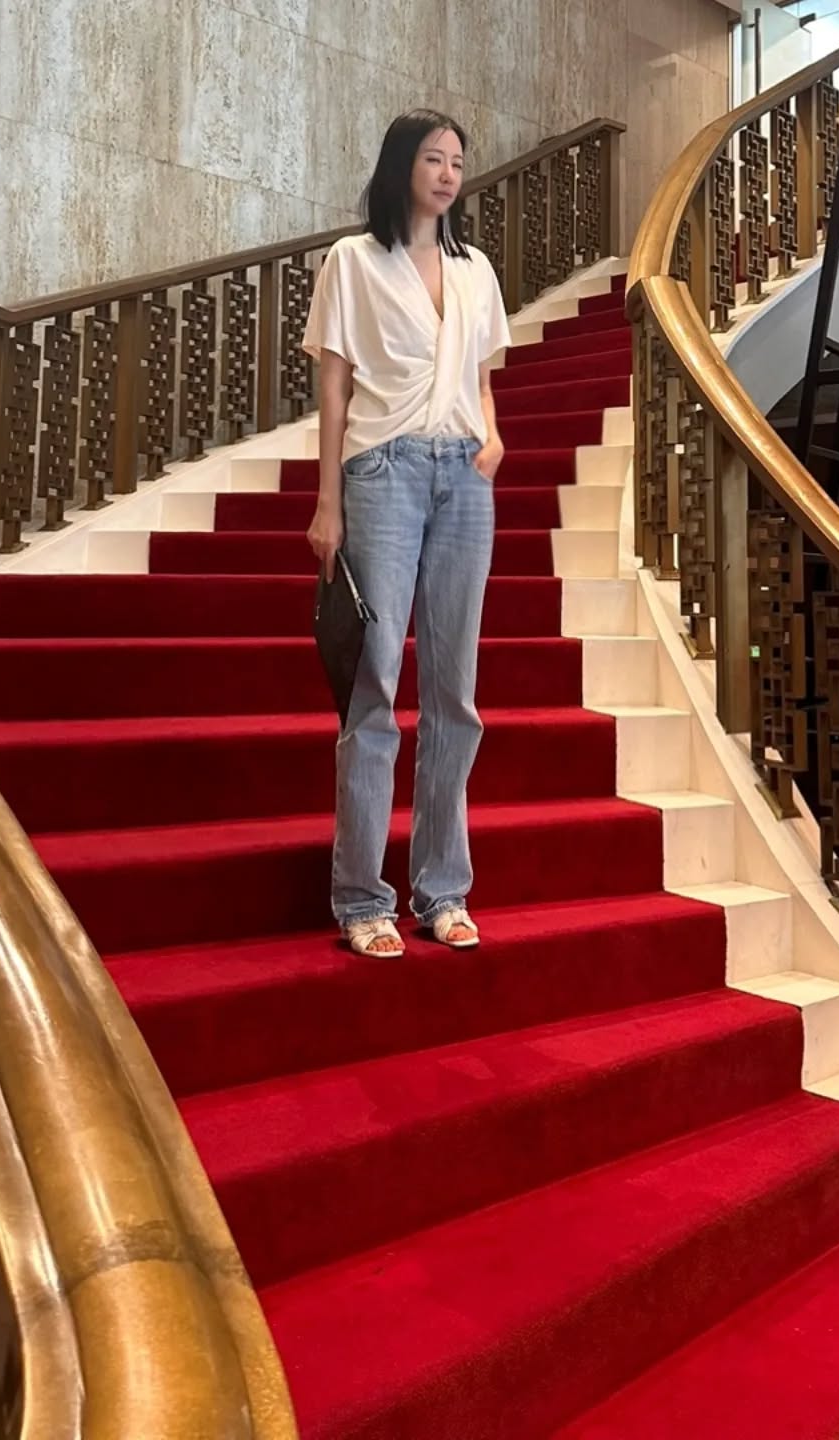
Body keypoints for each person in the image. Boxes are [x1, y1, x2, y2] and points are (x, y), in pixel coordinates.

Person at [303, 110, 511, 959]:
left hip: (464, 475)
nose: (449, 173)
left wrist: (492, 440)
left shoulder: (474, 269)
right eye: (433, 158)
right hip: (382, 470)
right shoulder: (352, 262)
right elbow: (334, 390)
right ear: (402, 166)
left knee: (456, 693)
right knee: (376, 685)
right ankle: (362, 896)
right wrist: (328, 503)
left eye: (458, 161)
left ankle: (443, 889)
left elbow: (483, 377)